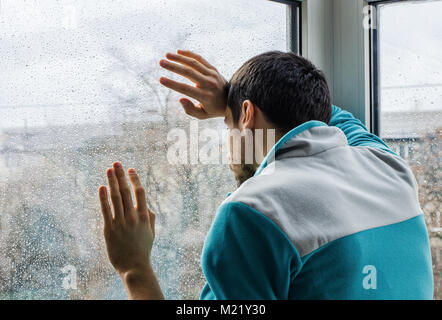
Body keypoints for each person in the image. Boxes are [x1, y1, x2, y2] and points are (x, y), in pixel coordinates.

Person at [97, 50, 434, 300]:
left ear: (247, 115)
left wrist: (134, 267)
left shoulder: (251, 213)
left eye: (228, 126)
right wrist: (235, 99)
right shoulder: (388, 166)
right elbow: (323, 111)